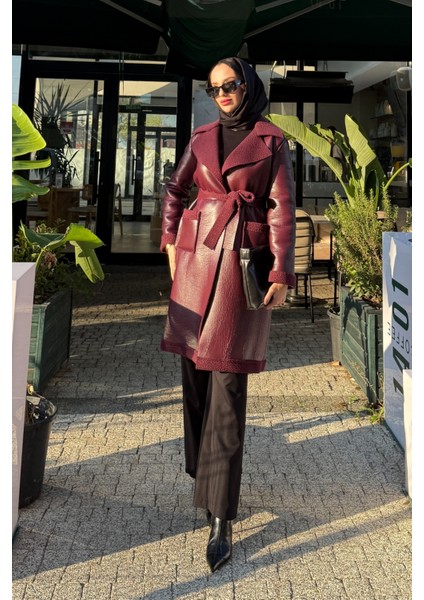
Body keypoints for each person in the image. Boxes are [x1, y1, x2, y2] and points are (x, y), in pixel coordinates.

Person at [160, 57, 296, 572]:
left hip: (240, 266)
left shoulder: (271, 140)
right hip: (196, 261)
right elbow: (174, 190)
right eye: (214, 87)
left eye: (230, 85)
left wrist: (280, 271)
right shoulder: (201, 138)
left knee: (227, 384)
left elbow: (282, 207)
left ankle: (221, 514)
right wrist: (170, 240)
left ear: (248, 85)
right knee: (194, 377)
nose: (222, 93)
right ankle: (203, 472)